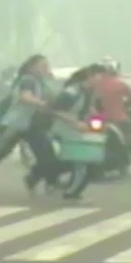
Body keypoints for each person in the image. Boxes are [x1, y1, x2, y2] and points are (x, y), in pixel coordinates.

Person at [0, 54, 56, 195]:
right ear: (32, 67)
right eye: (43, 66)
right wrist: (40, 103)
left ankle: (33, 178)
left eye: (46, 66)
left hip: (31, 124)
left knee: (46, 153)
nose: (46, 69)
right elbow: (25, 96)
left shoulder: (40, 82)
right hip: (15, 123)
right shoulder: (27, 79)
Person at [49, 66, 98, 201]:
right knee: (80, 162)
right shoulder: (72, 91)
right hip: (64, 130)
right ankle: (71, 192)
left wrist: (98, 124)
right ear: (90, 76)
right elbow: (57, 110)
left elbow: (89, 109)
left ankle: (72, 190)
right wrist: (76, 123)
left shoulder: (89, 91)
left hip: (77, 130)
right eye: (99, 76)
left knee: (81, 162)